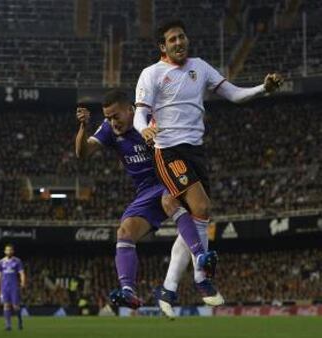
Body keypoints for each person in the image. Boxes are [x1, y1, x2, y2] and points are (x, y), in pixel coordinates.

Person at [133, 18, 283, 315]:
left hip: (196, 152)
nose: (179, 42)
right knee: (201, 206)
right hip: (168, 149)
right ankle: (203, 278)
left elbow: (234, 94)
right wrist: (144, 131)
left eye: (182, 37)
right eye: (173, 39)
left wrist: (263, 89)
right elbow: (140, 114)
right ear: (163, 46)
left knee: (196, 217)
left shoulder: (200, 67)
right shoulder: (151, 74)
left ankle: (168, 289)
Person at [75, 89, 219, 310]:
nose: (112, 122)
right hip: (145, 192)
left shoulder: (152, 119)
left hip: (169, 178)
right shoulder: (109, 130)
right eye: (108, 118)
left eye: (116, 116)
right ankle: (128, 291)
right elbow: (83, 153)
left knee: (169, 201)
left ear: (130, 109)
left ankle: (202, 258)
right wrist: (84, 127)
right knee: (124, 232)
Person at [0, 244, 26, 330]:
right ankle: (8, 325)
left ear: (13, 251)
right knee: (6, 305)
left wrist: (23, 282)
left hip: (14, 286)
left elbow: (22, 273)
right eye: (7, 250)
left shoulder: (17, 261)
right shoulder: (1, 262)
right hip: (5, 287)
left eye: (10, 250)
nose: (9, 251)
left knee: (16, 306)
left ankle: (20, 321)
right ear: (5, 251)